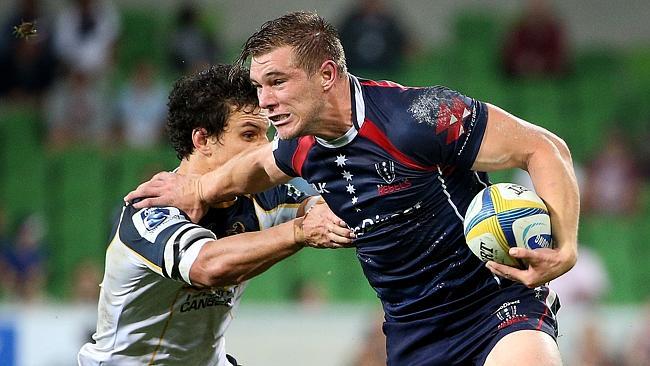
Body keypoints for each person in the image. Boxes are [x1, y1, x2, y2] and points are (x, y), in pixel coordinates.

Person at [126, 11, 579, 365]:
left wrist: (567, 248)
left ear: (326, 74)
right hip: (412, 332)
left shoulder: (418, 117)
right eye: (259, 86)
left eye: (277, 82)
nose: (265, 101)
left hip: (493, 304)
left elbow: (545, 148)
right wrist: (198, 190)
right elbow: (254, 169)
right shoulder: (300, 145)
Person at [79, 64, 353, 365]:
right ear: (203, 140)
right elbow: (207, 268)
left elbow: (333, 209)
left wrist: (328, 211)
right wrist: (298, 231)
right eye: (249, 134)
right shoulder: (150, 210)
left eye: (267, 135)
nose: (264, 148)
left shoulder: (264, 198)